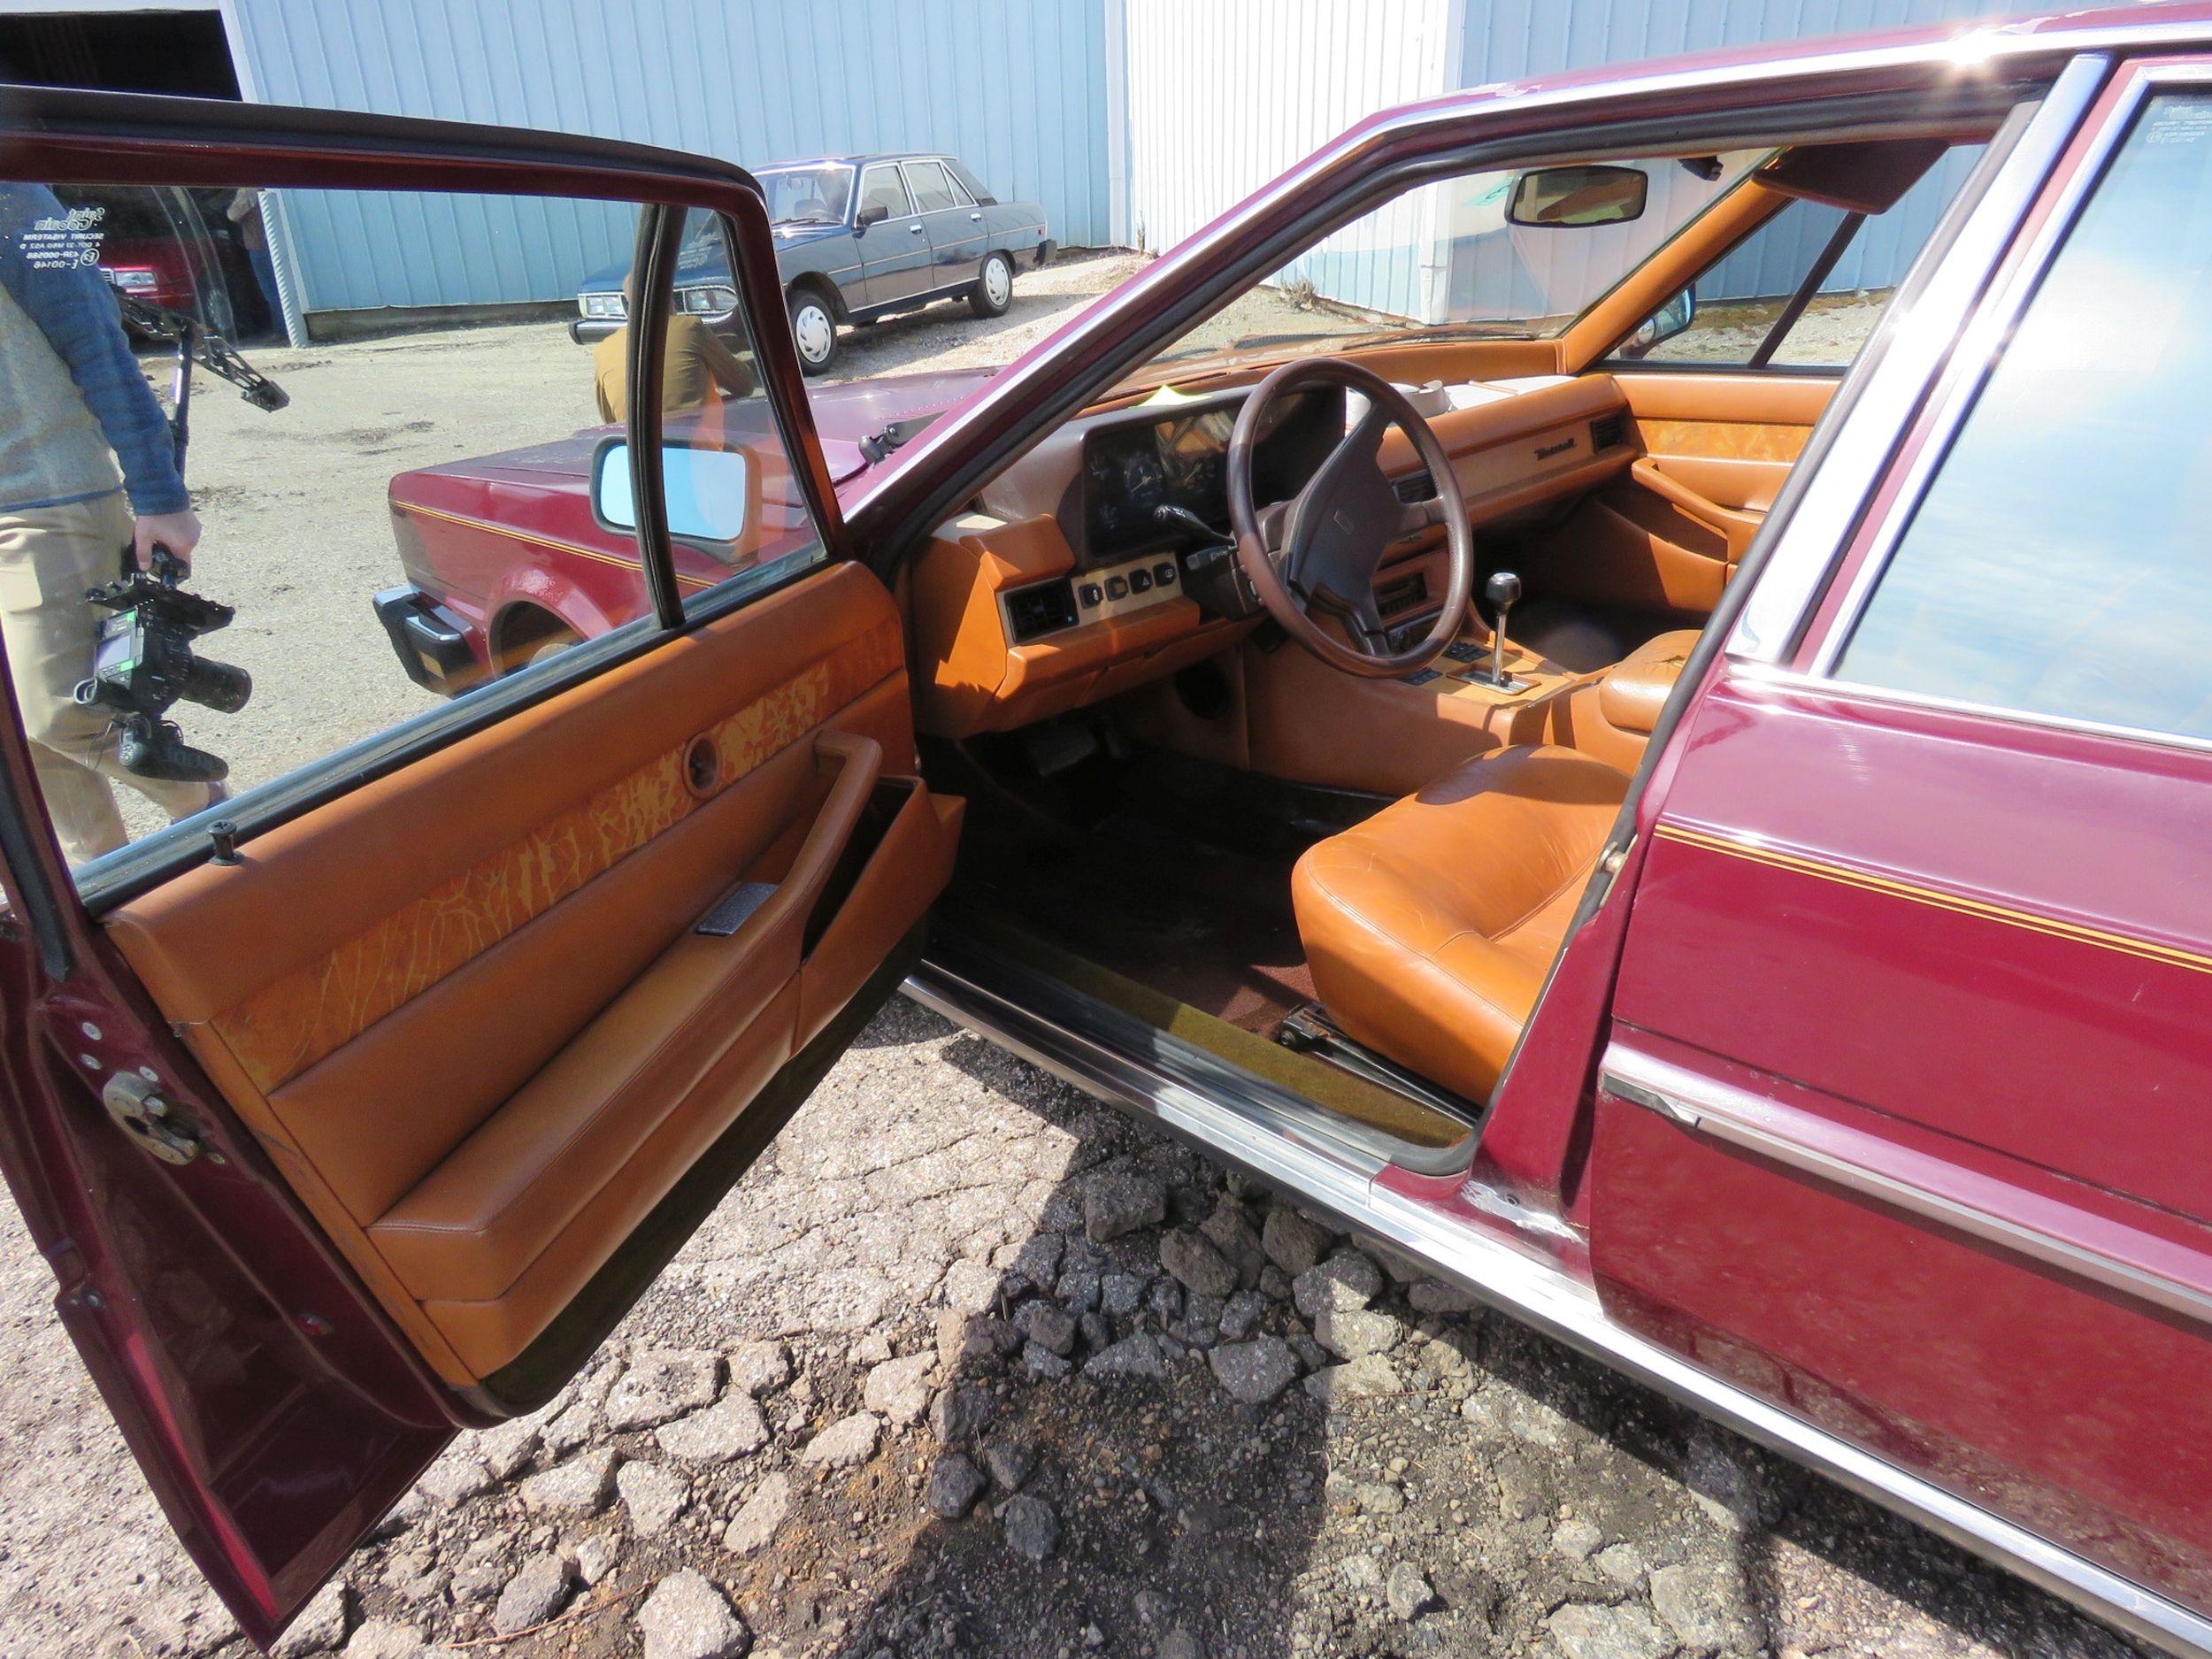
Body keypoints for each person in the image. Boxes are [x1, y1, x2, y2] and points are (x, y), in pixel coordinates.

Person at [0, 183, 219, 865]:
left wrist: (158, 493)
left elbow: (96, 337)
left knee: (61, 710)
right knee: (22, 742)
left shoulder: (13, 195)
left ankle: (219, 814)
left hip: (43, 501)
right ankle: (98, 899)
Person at [592, 273, 757, 425]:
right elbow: (744, 384)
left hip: (641, 450)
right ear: (668, 298)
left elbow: (612, 421)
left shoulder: (604, 349)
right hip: (698, 446)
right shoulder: (690, 328)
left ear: (629, 303)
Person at [227, 187, 280, 336]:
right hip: (264, 247)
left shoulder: (249, 191)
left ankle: (281, 330)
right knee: (273, 290)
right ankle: (281, 329)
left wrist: (244, 194)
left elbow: (233, 215)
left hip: (261, 249)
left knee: (271, 291)